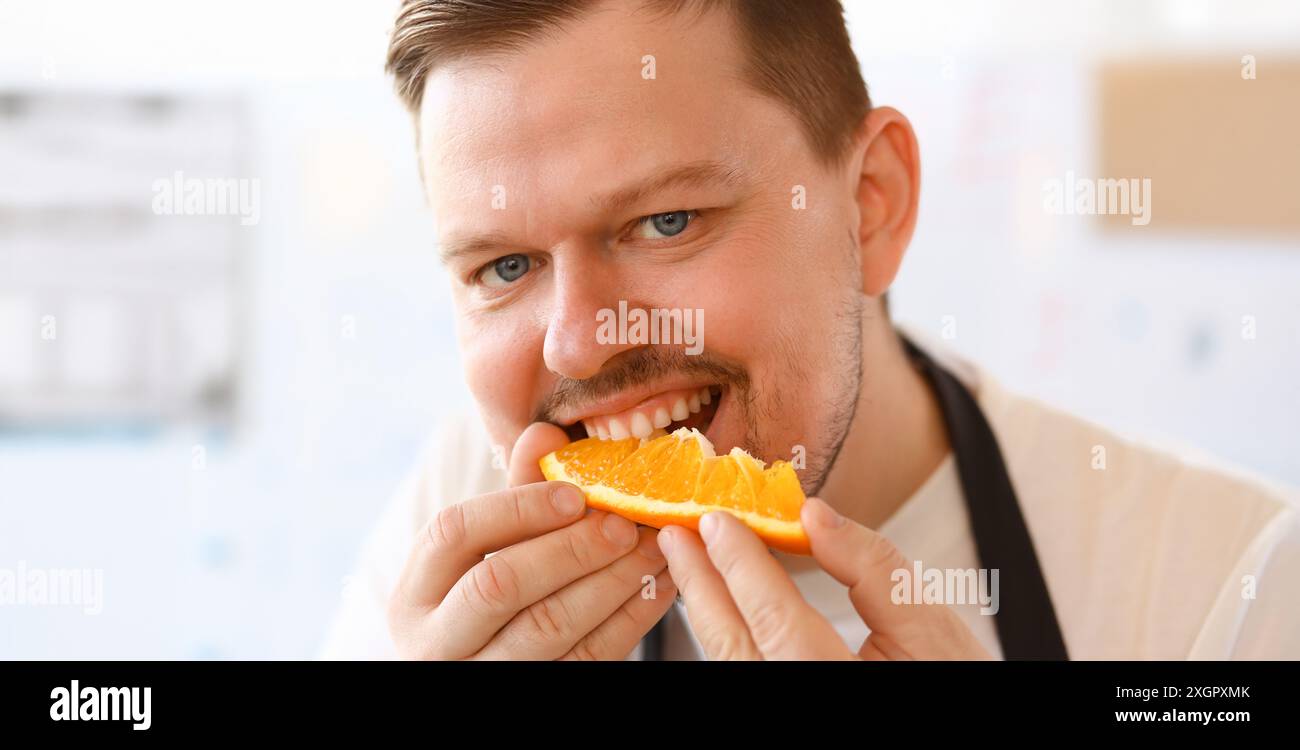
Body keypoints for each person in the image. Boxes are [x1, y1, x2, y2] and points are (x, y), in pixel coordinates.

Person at [321, 0, 1300, 660]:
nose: (579, 343)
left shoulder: (1228, 585)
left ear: (870, 205)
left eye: (667, 221)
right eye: (503, 267)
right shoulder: (454, 545)